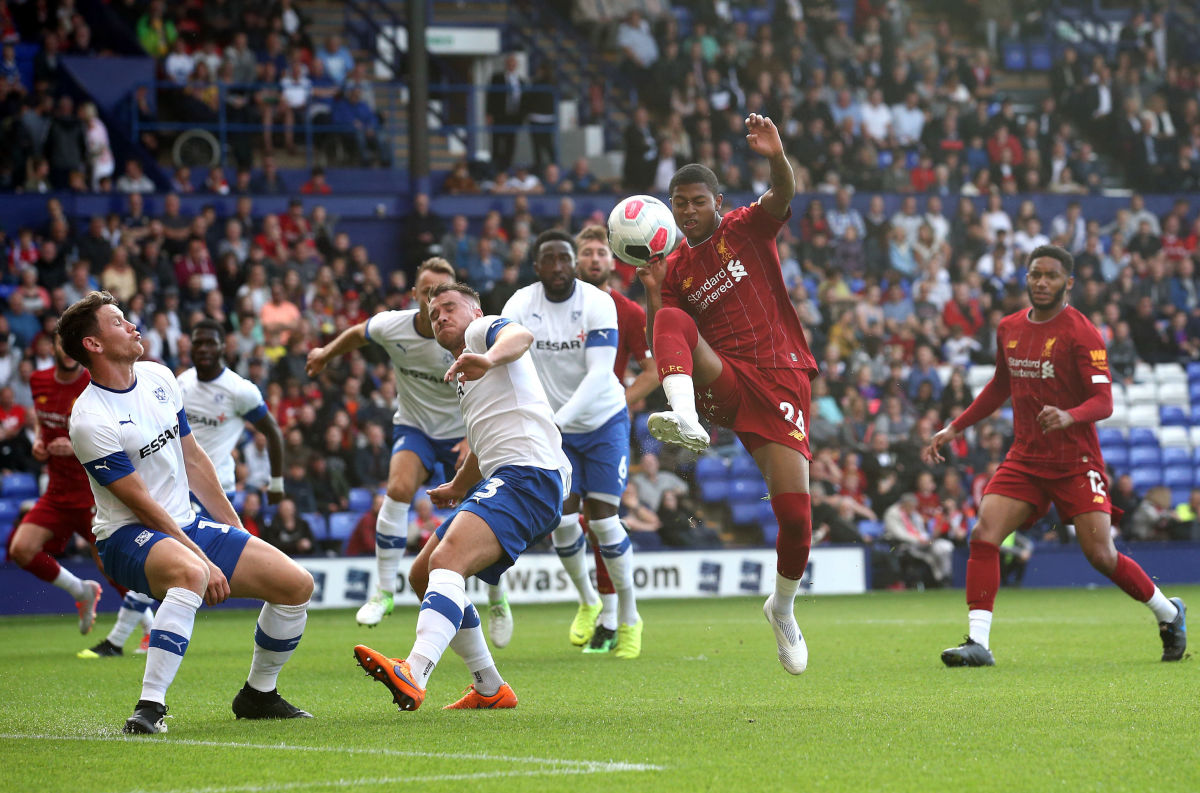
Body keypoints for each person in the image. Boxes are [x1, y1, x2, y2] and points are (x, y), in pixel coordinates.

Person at [60, 291, 314, 733]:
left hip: (186, 524)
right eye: (118, 322)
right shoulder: (89, 419)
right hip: (126, 536)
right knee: (191, 573)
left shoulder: (160, 377)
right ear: (93, 344)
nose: (133, 326)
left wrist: (235, 531)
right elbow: (142, 504)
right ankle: (149, 709)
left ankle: (258, 694)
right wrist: (203, 558)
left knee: (296, 585)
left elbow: (194, 461)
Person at [924, 245, 1187, 667]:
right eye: (1035, 274)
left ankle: (1169, 613)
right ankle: (978, 643)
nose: (1042, 282)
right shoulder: (1009, 327)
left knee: (1100, 555)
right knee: (984, 534)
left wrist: (1069, 415)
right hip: (1026, 458)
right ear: (1026, 278)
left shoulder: (1082, 332)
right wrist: (955, 426)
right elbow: (999, 385)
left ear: (1069, 282)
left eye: (1050, 275)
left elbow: (1104, 401)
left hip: (1075, 462)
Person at [637, 114, 819, 675]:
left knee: (796, 518)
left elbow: (783, 193)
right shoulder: (676, 269)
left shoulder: (745, 228)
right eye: (679, 203)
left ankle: (781, 608)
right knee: (670, 315)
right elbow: (666, 334)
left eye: (697, 201)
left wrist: (776, 155)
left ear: (717, 202)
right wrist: (653, 293)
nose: (688, 211)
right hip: (725, 381)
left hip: (781, 378)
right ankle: (685, 415)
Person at [353, 282, 571, 711]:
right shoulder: (463, 371)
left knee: (447, 560)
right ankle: (490, 687)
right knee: (422, 575)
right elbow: (483, 441)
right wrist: (458, 484)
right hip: (509, 474)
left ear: (476, 312)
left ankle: (415, 671)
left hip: (530, 474)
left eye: (449, 307)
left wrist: (488, 357)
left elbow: (521, 335)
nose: (440, 318)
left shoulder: (482, 333)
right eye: (433, 314)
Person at [305, 259, 474, 631]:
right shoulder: (393, 325)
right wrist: (325, 354)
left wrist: (471, 437)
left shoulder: (471, 336)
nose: (435, 301)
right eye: (428, 292)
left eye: (444, 294)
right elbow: (358, 333)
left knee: (484, 506)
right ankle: (383, 592)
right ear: (414, 294)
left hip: (463, 432)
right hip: (415, 427)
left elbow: (489, 384)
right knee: (397, 490)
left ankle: (497, 596)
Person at [500, 230, 643, 658]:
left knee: (604, 521)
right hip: (555, 429)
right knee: (562, 521)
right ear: (536, 267)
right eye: (550, 259)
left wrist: (554, 422)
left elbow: (600, 374)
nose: (560, 267)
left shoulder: (597, 303)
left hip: (602, 421)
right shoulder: (519, 305)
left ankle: (630, 617)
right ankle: (588, 601)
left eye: (566, 258)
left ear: (574, 264)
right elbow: (506, 363)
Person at [8, 335, 155, 656]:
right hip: (57, 493)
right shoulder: (38, 380)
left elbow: (114, 436)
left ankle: (150, 628)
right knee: (20, 549)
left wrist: (74, 448)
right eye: (60, 345)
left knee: (111, 567)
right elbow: (44, 426)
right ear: (52, 349)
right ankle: (81, 591)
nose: (66, 350)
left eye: (69, 344)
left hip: (93, 493)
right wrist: (39, 443)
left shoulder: (94, 383)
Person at [177, 319, 286, 510]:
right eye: (198, 343)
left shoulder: (240, 390)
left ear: (223, 348)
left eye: (210, 343)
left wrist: (276, 483)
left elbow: (273, 432)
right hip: (180, 486)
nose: (203, 349)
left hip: (217, 488)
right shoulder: (182, 382)